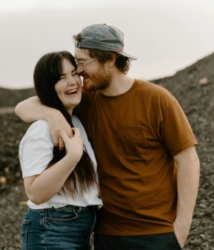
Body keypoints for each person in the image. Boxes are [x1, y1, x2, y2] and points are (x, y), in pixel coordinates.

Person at [15, 24, 200, 250]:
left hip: (156, 230)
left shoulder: (157, 99)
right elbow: (23, 107)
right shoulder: (86, 100)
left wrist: (182, 226)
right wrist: (52, 115)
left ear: (110, 60)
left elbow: (188, 161)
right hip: (106, 233)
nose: (79, 72)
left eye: (82, 62)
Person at [18, 51, 103, 250]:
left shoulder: (75, 120)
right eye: (61, 78)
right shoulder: (41, 129)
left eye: (74, 74)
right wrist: (73, 156)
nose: (72, 81)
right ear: (48, 86)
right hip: (52, 228)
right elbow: (35, 193)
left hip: (79, 227)